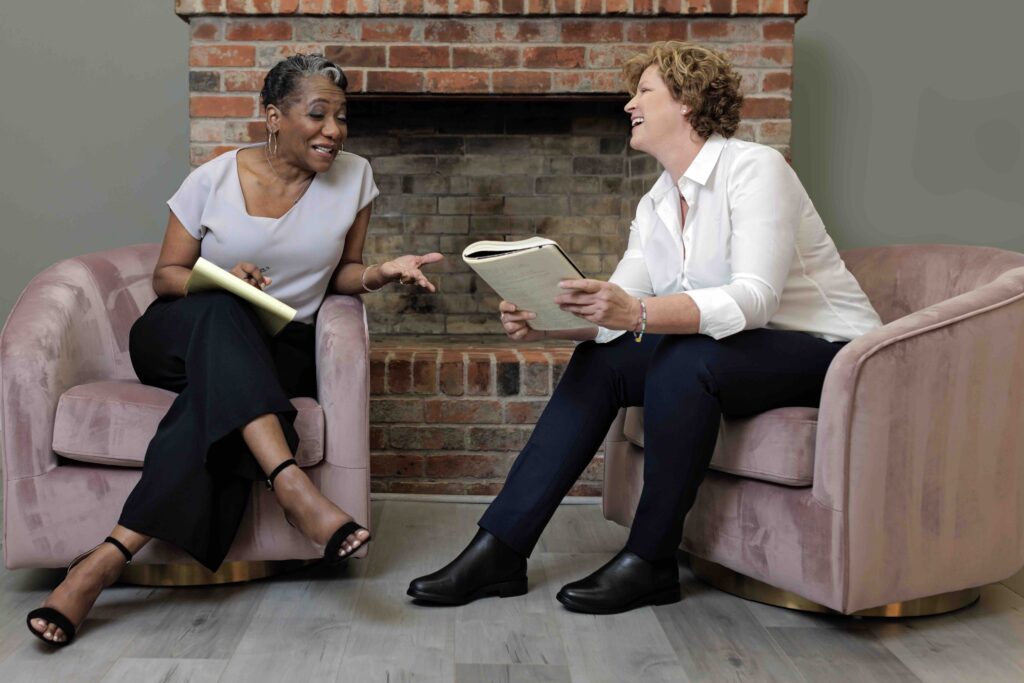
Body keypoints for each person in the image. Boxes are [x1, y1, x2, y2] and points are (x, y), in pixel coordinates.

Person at [407, 41, 883, 615]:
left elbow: (755, 300)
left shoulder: (756, 169)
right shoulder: (656, 202)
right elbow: (619, 310)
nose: (629, 104)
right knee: (604, 361)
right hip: (739, 352)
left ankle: (652, 561)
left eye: (644, 92)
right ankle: (501, 548)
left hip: (831, 352)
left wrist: (635, 314)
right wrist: (548, 322)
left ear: (686, 101)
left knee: (686, 360)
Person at [27, 54, 442, 647]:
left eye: (342, 117)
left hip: (279, 344)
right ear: (273, 117)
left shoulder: (356, 178)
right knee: (225, 309)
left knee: (210, 403)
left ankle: (101, 562)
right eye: (318, 114)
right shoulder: (213, 179)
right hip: (182, 328)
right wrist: (222, 276)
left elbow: (343, 273)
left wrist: (381, 271)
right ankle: (291, 483)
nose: (334, 131)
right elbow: (167, 275)